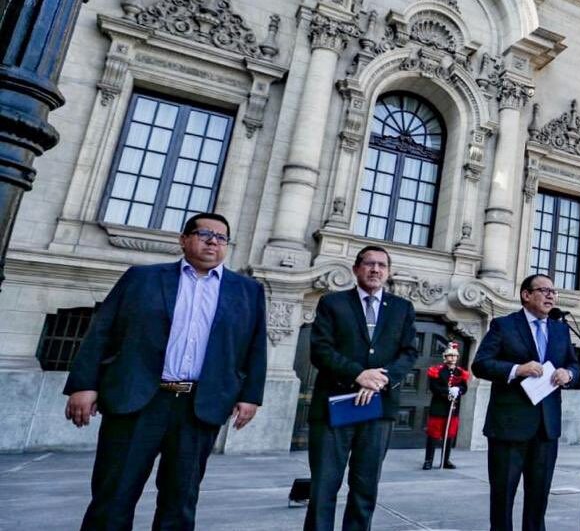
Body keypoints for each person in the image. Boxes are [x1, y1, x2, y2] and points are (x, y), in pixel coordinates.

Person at [63, 212, 267, 530]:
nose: (213, 241)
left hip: (198, 406)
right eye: (204, 233)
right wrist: (84, 384)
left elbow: (255, 348)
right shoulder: (141, 278)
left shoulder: (247, 291)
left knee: (180, 500)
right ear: (183, 240)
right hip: (138, 400)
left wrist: (250, 396)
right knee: (113, 495)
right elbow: (102, 330)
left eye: (221, 237)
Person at [304, 245, 419, 531]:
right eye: (369, 264)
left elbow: (409, 353)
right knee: (324, 486)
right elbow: (320, 350)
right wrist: (359, 374)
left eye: (382, 265)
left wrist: (380, 379)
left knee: (365, 487)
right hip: (335, 405)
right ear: (356, 269)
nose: (375, 270)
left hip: (378, 410)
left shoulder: (402, 308)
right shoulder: (333, 303)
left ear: (388, 272)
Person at [471, 273, 580, 531]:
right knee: (503, 496)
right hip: (509, 426)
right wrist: (517, 369)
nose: (551, 295)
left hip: (546, 427)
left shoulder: (561, 329)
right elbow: (481, 364)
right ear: (526, 295)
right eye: (544, 290)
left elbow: (574, 364)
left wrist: (569, 374)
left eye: (553, 291)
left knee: (538, 498)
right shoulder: (504, 325)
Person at [422, 342, 470, 470]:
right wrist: (448, 391)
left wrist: (458, 390)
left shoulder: (461, 373)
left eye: (454, 356)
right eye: (450, 356)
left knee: (449, 435)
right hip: (438, 407)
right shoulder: (436, 371)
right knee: (433, 435)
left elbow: (464, 388)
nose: (452, 358)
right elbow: (434, 387)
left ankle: (445, 460)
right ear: (445, 357)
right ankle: (428, 460)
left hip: (452, 408)